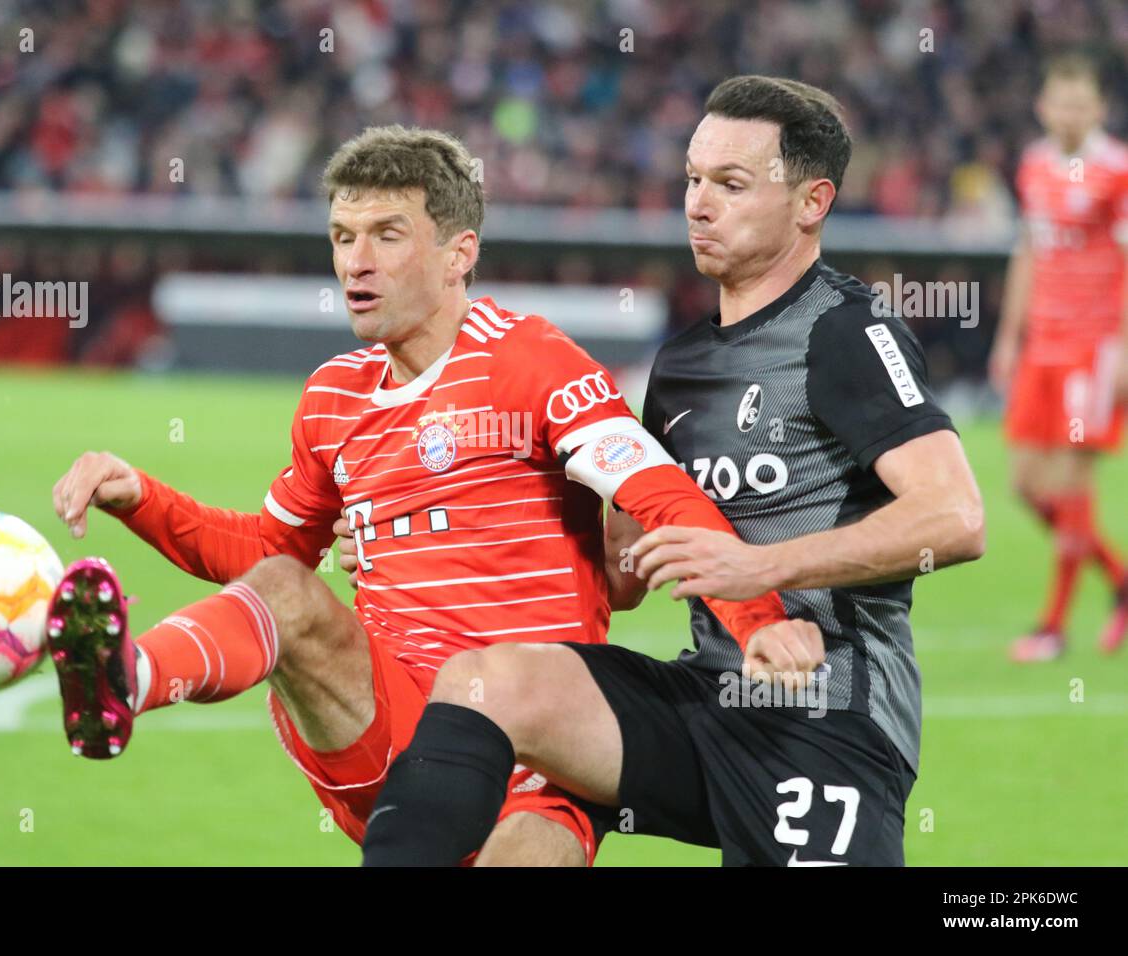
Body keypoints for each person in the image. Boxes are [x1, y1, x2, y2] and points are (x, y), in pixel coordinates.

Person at [46, 125, 818, 866]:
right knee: (284, 586)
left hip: (541, 756)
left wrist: (757, 619)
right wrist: (139, 496)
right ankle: (124, 680)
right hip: (390, 721)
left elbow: (658, 492)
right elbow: (266, 557)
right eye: (343, 237)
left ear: (459, 254)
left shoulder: (533, 363)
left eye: (386, 234)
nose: (357, 262)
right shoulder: (332, 399)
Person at [360, 76, 986, 867]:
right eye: (692, 178)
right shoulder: (683, 364)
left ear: (811, 202)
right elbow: (624, 577)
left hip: (827, 718)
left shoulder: (846, 333)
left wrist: (761, 565)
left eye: (730, 184)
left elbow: (956, 518)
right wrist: (421, 526)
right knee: (489, 684)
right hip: (704, 701)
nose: (697, 203)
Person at [988, 54, 1128, 662]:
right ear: (1044, 106)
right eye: (1059, 100)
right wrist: (1008, 336)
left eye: (1081, 101)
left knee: (1072, 485)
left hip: (1092, 347)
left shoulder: (1116, 171)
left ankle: (1052, 627)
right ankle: (1121, 580)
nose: (1068, 112)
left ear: (1099, 108)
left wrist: (1122, 347)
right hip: (1041, 344)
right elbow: (1028, 252)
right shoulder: (1035, 165)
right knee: (1024, 483)